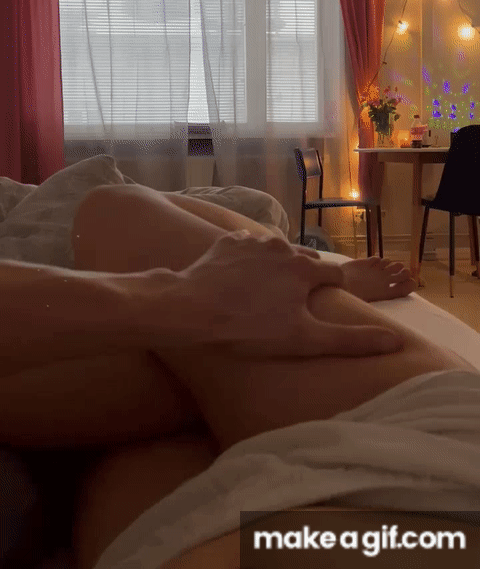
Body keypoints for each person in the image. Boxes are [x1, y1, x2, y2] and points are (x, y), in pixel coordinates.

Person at [2, 183, 470, 569]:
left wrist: (177, 305)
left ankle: (274, 284)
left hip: (187, 540)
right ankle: (301, 274)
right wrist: (179, 301)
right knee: (114, 210)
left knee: (36, 404)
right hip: (430, 475)